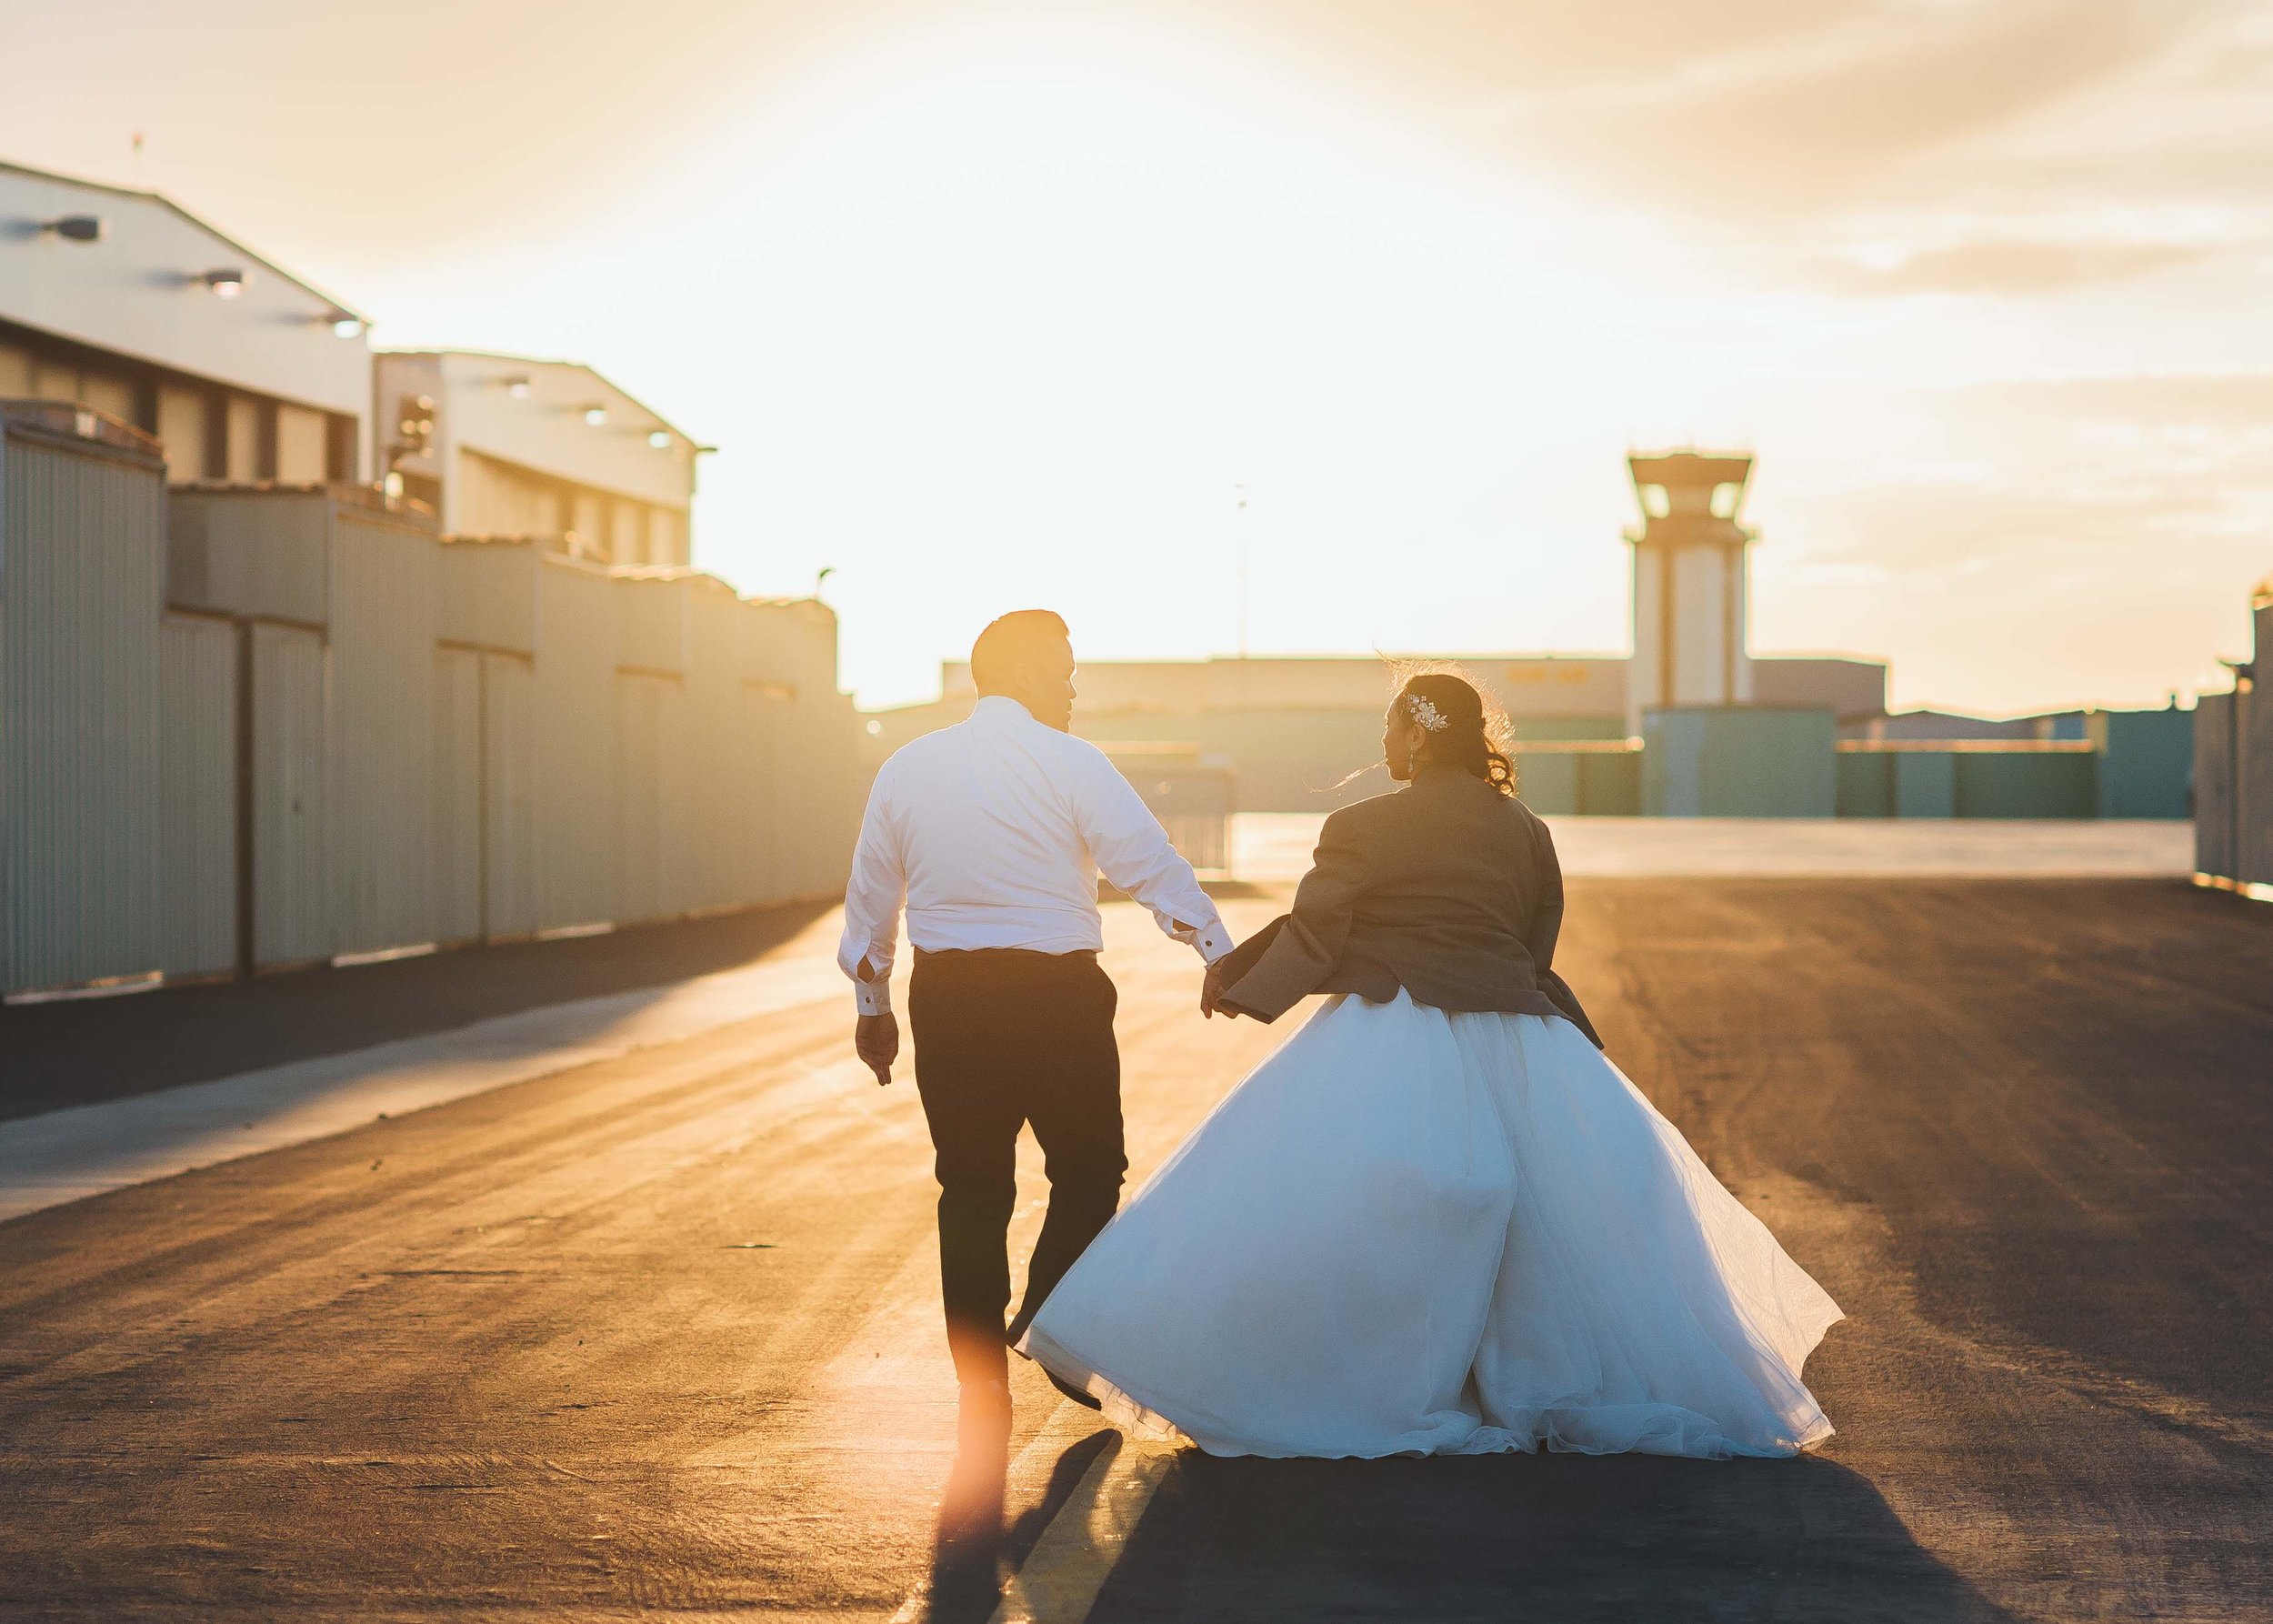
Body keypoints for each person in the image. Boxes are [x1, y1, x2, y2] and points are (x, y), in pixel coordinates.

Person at [1018, 669, 1843, 1459]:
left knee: (1332, 1204)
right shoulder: (1526, 828)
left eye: (1389, 725)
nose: (1383, 742)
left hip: (1399, 1029)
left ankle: (1357, 1378)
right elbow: (1533, 944)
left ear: (1417, 732)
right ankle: (1501, 1382)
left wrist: (1240, 986)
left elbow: (1317, 932)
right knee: (1539, 1224)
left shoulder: (1364, 826)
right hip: (1523, 1037)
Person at [838, 609, 1233, 1451]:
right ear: (1019, 672)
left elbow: (872, 899)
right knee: (1092, 1173)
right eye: (1062, 669)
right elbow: (1145, 860)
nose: (1074, 686)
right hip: (1057, 998)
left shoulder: (908, 767)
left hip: (949, 999)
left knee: (973, 1188)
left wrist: (872, 1010)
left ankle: (980, 1373)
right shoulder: (1072, 761)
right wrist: (1212, 947)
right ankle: (1051, 1325)